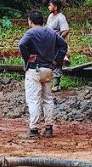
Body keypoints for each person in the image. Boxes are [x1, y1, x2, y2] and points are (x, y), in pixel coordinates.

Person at [18, 10, 68, 139]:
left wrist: (27, 57)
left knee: (34, 100)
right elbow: (63, 45)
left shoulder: (30, 33)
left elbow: (22, 44)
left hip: (34, 70)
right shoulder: (51, 32)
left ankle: (33, 130)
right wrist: (57, 60)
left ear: (30, 21)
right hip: (48, 69)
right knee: (48, 99)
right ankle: (48, 128)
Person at [46, 0, 70, 91]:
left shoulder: (61, 17)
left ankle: (56, 84)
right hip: (49, 43)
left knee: (57, 62)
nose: (49, 7)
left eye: (50, 5)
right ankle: (49, 82)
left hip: (57, 44)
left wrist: (58, 38)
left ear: (55, 7)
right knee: (50, 62)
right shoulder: (50, 16)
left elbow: (66, 30)